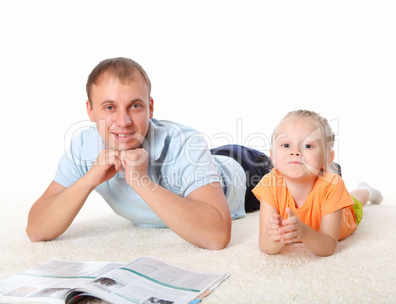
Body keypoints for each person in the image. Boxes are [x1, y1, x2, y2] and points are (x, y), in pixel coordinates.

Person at [26, 57, 272, 250]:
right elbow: (36, 229)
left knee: (293, 171)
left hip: (243, 170)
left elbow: (216, 236)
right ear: (90, 111)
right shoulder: (84, 146)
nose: (123, 122)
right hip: (203, 162)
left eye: (135, 106)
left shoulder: (185, 142)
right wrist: (90, 178)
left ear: (150, 107)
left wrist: (141, 181)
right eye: (109, 107)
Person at [252, 110, 382, 257]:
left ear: (327, 158)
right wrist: (278, 236)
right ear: (273, 156)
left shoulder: (332, 185)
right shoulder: (270, 184)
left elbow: (328, 247)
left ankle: (366, 190)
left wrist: (304, 232)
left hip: (344, 217)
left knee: (356, 202)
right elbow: (265, 244)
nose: (295, 152)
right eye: (286, 145)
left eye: (307, 146)